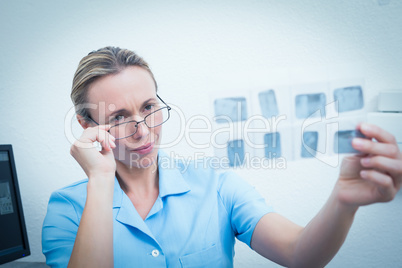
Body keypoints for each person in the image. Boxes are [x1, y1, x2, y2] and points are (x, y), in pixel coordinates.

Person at [42, 46, 402, 268]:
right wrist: (101, 179)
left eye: (149, 107)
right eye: (118, 117)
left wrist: (344, 200)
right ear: (87, 125)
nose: (142, 129)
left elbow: (299, 255)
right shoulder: (66, 209)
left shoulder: (216, 183)